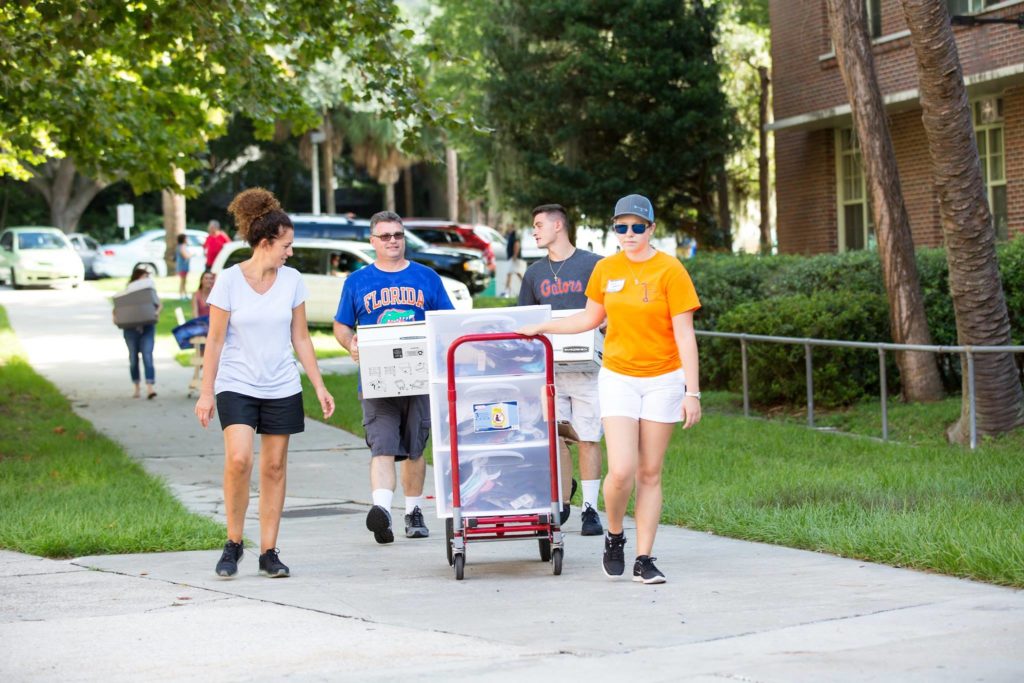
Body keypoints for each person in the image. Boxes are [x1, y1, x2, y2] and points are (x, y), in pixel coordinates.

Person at [518, 194, 701, 584]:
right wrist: (541, 326)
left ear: (651, 228)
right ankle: (614, 535)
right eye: (622, 227)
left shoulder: (671, 270)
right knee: (621, 471)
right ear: (613, 229)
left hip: (664, 379)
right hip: (618, 376)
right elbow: (588, 318)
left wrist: (692, 391)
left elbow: (685, 334)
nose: (629, 234)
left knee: (650, 472)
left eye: (638, 227)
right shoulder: (606, 269)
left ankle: (644, 558)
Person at [194, 188, 335, 579]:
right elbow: (216, 340)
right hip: (237, 383)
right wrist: (206, 392)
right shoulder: (228, 281)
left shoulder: (292, 281)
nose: (290, 252)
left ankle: (269, 551)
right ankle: (234, 542)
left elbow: (301, 337)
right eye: (286, 245)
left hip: (281, 385)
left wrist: (319, 385)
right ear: (265, 242)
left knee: (274, 467)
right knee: (240, 459)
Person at [333, 211, 454, 545]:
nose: (392, 241)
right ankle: (382, 511)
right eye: (384, 236)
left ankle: (413, 512)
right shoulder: (357, 282)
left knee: (416, 448)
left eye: (397, 235)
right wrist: (350, 343)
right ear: (373, 241)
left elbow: (446, 321)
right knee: (382, 446)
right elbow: (341, 325)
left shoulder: (427, 277)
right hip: (377, 379)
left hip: (419, 376)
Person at [518, 204, 605, 536]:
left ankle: (590, 509)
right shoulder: (534, 273)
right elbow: (524, 318)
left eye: (539, 225)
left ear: (558, 226)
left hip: (587, 368)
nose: (535, 231)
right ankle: (563, 503)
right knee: (554, 435)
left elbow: (608, 310)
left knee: (587, 436)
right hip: (548, 368)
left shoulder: (593, 264)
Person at [119, 267, 161, 399]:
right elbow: (119, 308)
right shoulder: (128, 292)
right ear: (137, 277)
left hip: (147, 327)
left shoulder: (150, 291)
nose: (147, 279)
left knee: (147, 356)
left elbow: (158, 305)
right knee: (133, 358)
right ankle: (136, 387)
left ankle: (150, 388)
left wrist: (156, 313)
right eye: (144, 276)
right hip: (131, 329)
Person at [503, 225, 526, 297]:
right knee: (516, 274)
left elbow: (517, 245)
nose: (508, 228)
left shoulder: (514, 235)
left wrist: (515, 255)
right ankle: (527, 287)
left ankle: (506, 292)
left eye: (510, 227)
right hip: (513, 258)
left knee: (510, 273)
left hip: (514, 258)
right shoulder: (511, 235)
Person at [175, 234, 191, 300]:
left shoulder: (180, 246)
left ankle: (185, 294)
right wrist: (191, 254)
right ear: (183, 239)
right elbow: (185, 256)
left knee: (184, 281)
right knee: (183, 281)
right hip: (182, 267)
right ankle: (181, 296)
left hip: (183, 266)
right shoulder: (182, 246)